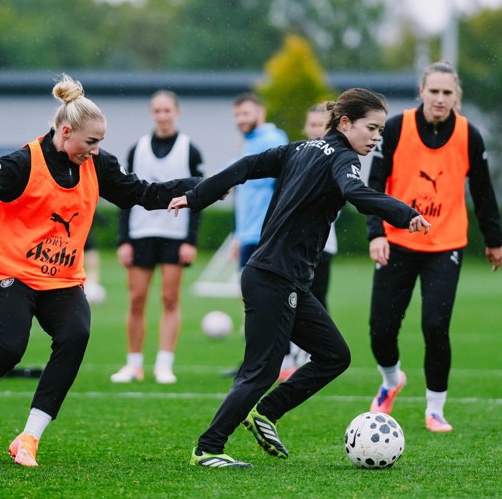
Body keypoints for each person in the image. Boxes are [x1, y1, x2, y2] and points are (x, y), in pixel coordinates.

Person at [0, 74, 199, 467]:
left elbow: (144, 193)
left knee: (76, 334)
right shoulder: (22, 163)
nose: (96, 151)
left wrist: (202, 188)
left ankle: (29, 437)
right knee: (9, 348)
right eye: (90, 142)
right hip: (16, 274)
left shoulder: (99, 164)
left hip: (62, 280)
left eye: (100, 143)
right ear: (65, 132)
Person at [169, 88, 431, 468]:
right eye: (371, 128)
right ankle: (208, 448)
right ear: (345, 123)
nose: (376, 137)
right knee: (261, 370)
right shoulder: (343, 159)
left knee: (334, 354)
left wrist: (196, 196)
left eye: (379, 131)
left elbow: (243, 167)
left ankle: (266, 412)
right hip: (274, 277)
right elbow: (355, 192)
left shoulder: (298, 149)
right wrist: (403, 213)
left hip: (280, 278)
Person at [366, 61, 502, 433]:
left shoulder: (469, 134)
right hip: (396, 240)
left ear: (455, 96)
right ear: (421, 92)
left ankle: (435, 408)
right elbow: (374, 184)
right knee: (380, 328)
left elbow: (483, 190)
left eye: (447, 92)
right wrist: (375, 232)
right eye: (434, 91)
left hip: (445, 244)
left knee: (435, 325)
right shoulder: (395, 127)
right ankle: (392, 380)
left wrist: (494, 239)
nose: (440, 98)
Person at [111, 90, 204, 385]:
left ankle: (164, 363)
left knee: (169, 299)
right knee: (137, 300)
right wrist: (123, 239)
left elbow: (200, 197)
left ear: (176, 112)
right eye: (157, 111)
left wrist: (191, 240)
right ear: (152, 114)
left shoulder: (190, 150)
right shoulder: (136, 149)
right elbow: (124, 196)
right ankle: (133, 364)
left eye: (167, 110)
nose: (162, 116)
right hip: (140, 233)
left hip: (175, 234)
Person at [278, 103, 331, 382]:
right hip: (293, 247)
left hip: (323, 247)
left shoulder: (335, 159)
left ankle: (312, 354)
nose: (315, 131)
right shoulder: (297, 155)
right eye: (311, 125)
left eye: (321, 126)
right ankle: (288, 354)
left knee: (317, 300)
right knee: (290, 300)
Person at [230, 93, 287, 267]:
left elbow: (281, 186)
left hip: (265, 234)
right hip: (248, 235)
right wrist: (238, 236)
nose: (240, 119)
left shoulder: (273, 139)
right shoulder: (248, 143)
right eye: (237, 115)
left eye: (245, 113)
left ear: (261, 113)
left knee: (260, 292)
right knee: (246, 291)